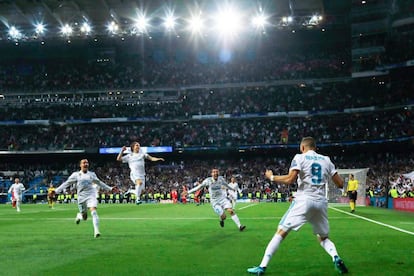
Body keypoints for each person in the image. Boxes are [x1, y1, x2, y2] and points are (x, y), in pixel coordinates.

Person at [247, 137, 348, 275]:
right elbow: (340, 184)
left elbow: (290, 179)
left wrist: (272, 177)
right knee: (323, 237)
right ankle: (336, 257)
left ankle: (262, 266)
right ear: (315, 147)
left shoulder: (299, 157)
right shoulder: (326, 160)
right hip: (321, 202)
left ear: (302, 147)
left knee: (281, 231)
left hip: (304, 200)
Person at [55, 159, 115, 238]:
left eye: (87, 163)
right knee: (84, 217)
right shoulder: (76, 175)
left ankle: (96, 231)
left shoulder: (92, 174)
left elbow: (99, 183)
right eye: (84, 163)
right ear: (80, 165)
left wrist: (109, 188)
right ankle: (79, 215)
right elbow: (67, 183)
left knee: (93, 212)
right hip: (81, 197)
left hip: (91, 195)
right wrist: (56, 191)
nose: (85, 164)